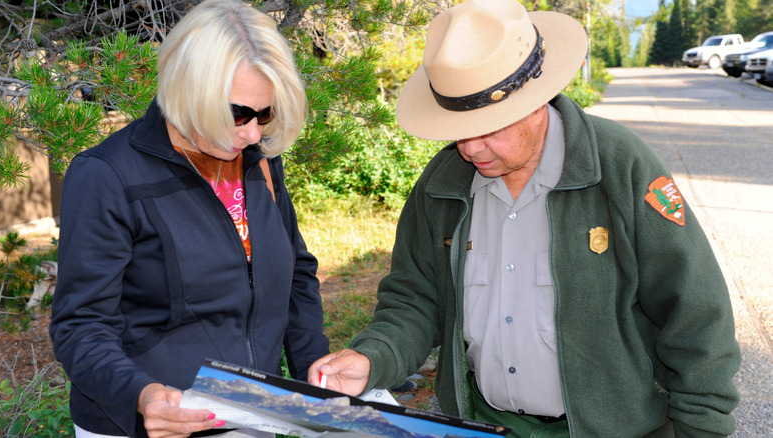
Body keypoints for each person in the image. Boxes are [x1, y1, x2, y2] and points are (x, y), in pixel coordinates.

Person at [308, 0, 741, 437]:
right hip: (483, 422)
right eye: (458, 131)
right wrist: (372, 356)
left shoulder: (621, 166)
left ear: (535, 102)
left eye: (489, 128)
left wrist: (701, 429)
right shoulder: (441, 185)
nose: (471, 149)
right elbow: (414, 299)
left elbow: (696, 313)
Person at [49, 0, 329, 436]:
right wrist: (142, 396)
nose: (254, 133)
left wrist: (315, 370)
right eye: (239, 114)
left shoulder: (257, 159)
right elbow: (81, 325)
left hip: (252, 412)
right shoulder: (107, 176)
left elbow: (295, 275)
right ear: (187, 90)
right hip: (153, 423)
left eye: (266, 113)